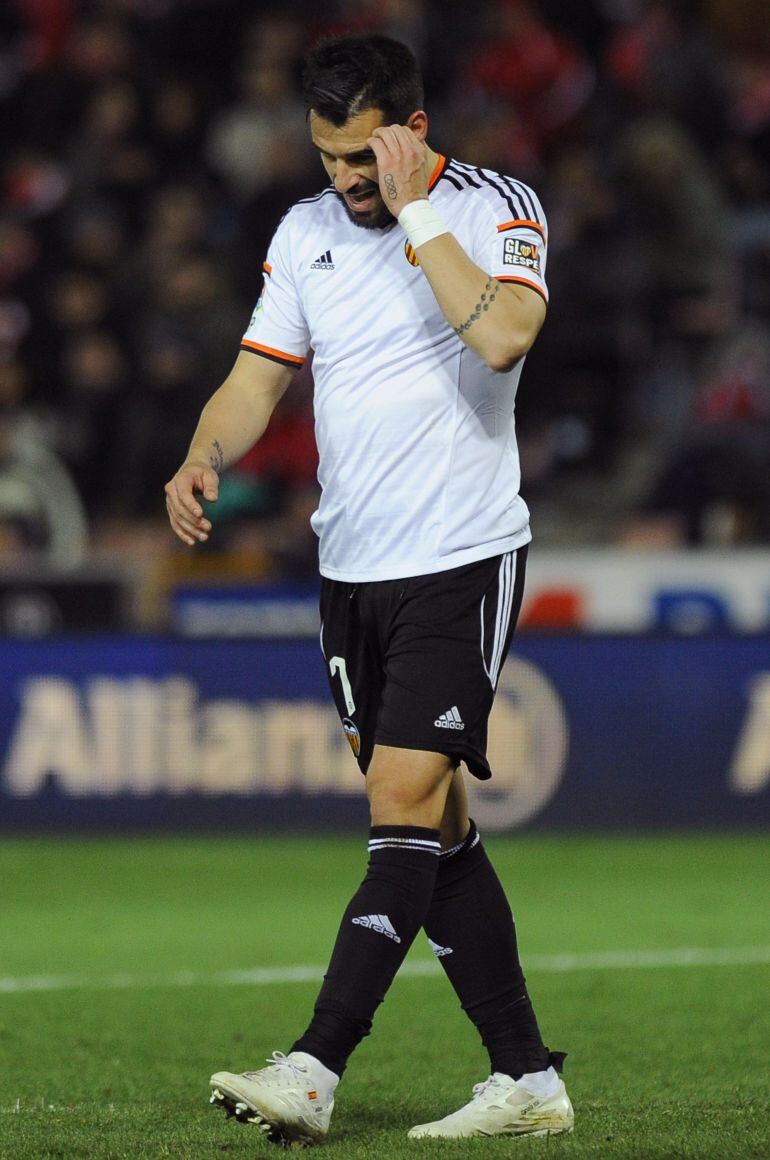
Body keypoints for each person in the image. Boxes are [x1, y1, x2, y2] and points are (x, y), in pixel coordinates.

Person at [164, 32, 573, 1146]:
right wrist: (206, 450)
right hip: (349, 571)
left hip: (458, 553)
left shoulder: (495, 206)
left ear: (412, 130)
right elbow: (255, 378)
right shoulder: (302, 234)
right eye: (325, 154)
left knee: (396, 801)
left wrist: (414, 215)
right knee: (434, 831)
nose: (342, 177)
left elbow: (501, 336)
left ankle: (314, 1064)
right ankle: (526, 1077)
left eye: (360, 154)